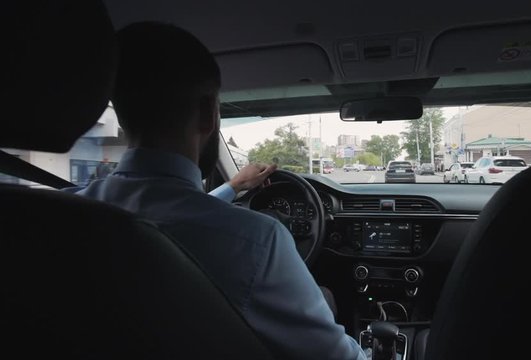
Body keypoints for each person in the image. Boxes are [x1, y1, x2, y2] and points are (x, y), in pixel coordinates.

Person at [68, 22, 366, 360]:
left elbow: (163, 221)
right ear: (209, 113)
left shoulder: (61, 215)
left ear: (122, 113)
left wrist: (233, 187)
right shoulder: (258, 241)